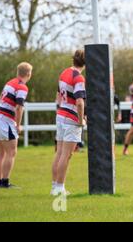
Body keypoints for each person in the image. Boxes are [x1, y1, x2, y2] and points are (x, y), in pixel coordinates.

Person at [0, 62, 32, 189]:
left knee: (1, 153)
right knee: (11, 152)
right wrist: (18, 125)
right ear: (29, 74)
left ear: (18, 72)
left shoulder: (10, 82)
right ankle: (5, 182)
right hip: (5, 121)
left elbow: (0, 98)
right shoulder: (22, 87)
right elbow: (19, 107)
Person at [51, 50, 86, 196]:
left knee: (59, 153)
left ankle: (55, 186)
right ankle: (60, 188)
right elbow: (79, 102)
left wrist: (59, 110)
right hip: (71, 118)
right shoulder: (78, 78)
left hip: (61, 115)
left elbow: (58, 96)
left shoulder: (64, 72)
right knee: (66, 155)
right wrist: (80, 119)